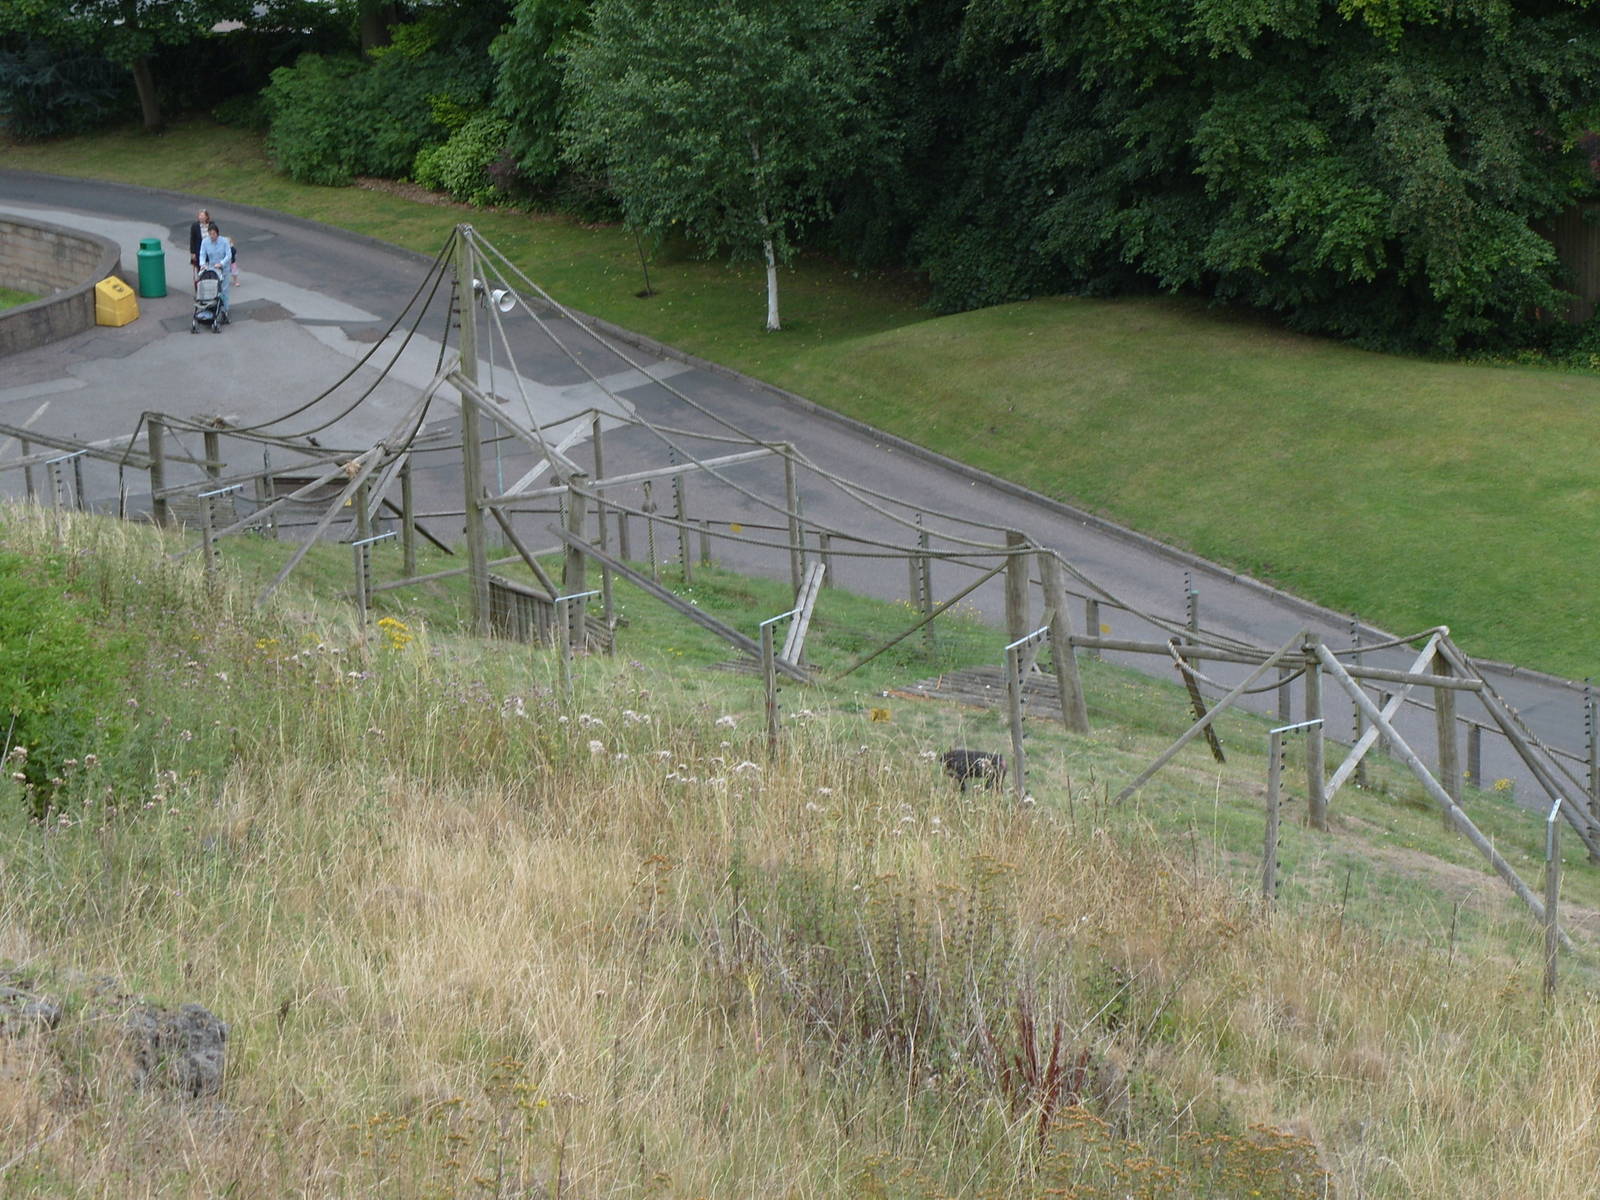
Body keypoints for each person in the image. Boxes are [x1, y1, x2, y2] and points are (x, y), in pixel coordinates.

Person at [197, 222, 232, 324]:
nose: (212, 236)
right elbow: (202, 254)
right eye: (210, 234)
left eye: (214, 234)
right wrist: (202, 264)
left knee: (223, 290)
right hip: (212, 268)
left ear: (217, 233)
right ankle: (212, 308)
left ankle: (225, 310)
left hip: (223, 268)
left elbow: (228, 255)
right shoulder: (205, 242)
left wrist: (221, 263)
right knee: (212, 289)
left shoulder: (224, 241)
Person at [188, 208, 210, 278]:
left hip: (210, 248)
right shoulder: (195, 226)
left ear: (206, 217)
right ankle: (201, 279)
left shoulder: (211, 225)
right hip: (199, 249)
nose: (201, 217)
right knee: (200, 265)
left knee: (210, 264)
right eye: (200, 216)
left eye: (203, 216)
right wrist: (193, 252)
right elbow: (192, 239)